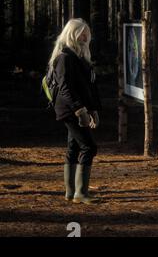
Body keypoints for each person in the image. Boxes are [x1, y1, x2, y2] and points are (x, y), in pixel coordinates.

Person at [47, 19, 101, 205]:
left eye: (86, 33)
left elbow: (87, 87)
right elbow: (65, 88)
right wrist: (80, 110)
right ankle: (80, 193)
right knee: (89, 147)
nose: (84, 36)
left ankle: (70, 192)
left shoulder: (80, 56)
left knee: (75, 147)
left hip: (78, 108)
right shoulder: (64, 57)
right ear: (71, 34)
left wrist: (93, 109)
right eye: (80, 33)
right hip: (70, 109)